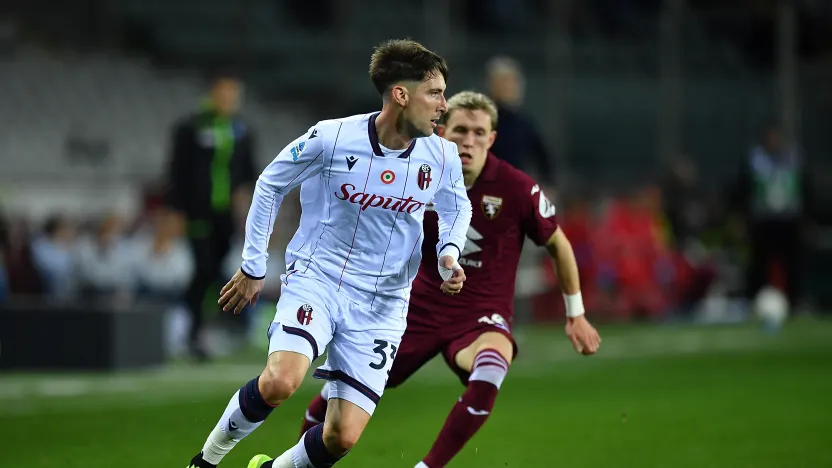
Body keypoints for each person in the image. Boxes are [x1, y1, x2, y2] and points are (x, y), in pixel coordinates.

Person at [186, 39, 473, 468]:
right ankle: (205, 462)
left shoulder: (443, 155)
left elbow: (456, 206)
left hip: (384, 302)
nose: (443, 105)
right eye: (434, 93)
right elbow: (270, 183)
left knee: (342, 436)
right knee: (281, 381)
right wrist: (253, 264)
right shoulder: (332, 137)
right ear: (401, 94)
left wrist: (449, 252)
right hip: (319, 278)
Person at [298, 91, 601, 468]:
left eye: (478, 133)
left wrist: (576, 313)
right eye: (460, 130)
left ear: (492, 138)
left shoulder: (517, 188)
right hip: (411, 312)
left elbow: (560, 245)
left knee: (492, 367)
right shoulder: (415, 175)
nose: (468, 141)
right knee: (339, 399)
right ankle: (303, 460)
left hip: (480, 315)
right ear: (441, 131)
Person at [166, 74, 258, 361]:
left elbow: (248, 169)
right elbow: (176, 170)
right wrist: (177, 210)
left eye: (233, 97)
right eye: (223, 95)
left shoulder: (241, 130)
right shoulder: (191, 127)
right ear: (212, 95)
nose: (228, 102)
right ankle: (195, 331)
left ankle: (211, 328)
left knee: (218, 270)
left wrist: (244, 197)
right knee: (204, 268)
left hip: (226, 214)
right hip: (198, 211)